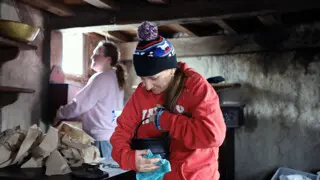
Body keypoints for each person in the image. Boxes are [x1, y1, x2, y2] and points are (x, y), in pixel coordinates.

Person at [110, 21, 226, 179]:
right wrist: (129, 159)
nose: (147, 86)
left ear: (171, 69)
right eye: (142, 78)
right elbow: (120, 134)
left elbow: (213, 135)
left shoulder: (195, 87)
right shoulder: (141, 94)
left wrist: (167, 120)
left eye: (153, 78)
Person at [55, 41, 126, 160]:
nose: (92, 56)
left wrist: (60, 113)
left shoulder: (101, 78)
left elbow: (79, 105)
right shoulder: (115, 78)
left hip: (99, 141)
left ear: (108, 59)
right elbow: (99, 109)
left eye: (97, 53)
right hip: (110, 139)